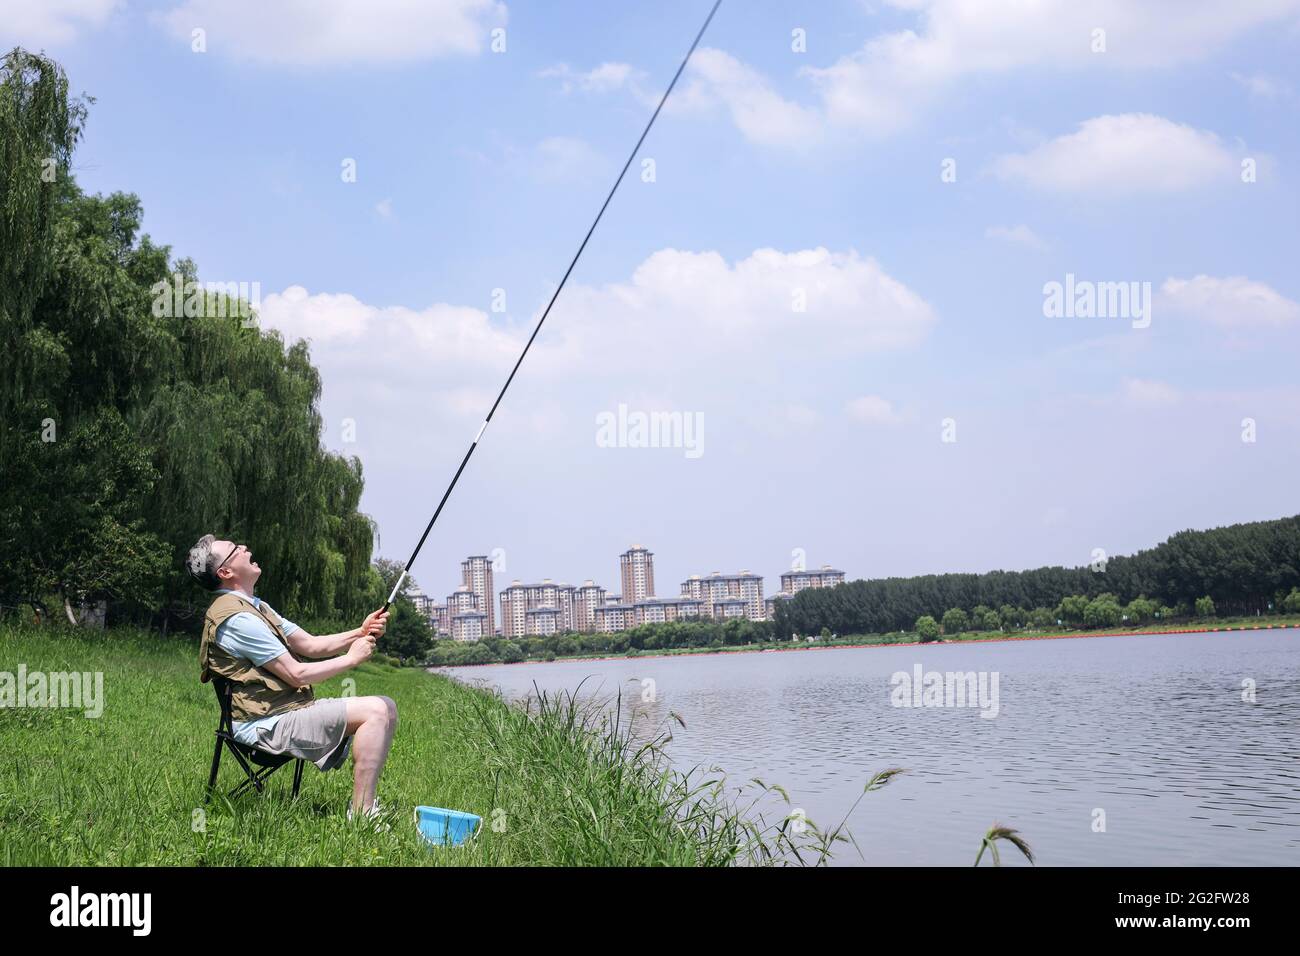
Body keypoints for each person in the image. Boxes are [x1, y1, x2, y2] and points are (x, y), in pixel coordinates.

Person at [188, 534, 395, 821]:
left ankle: (365, 806)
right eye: (236, 549)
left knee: (387, 707)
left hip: (282, 713)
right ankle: (362, 815)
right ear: (225, 572)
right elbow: (296, 675)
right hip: (263, 726)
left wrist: (360, 632)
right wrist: (351, 659)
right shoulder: (238, 620)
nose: (245, 547)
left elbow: (310, 645)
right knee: (377, 711)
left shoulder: (255, 607)